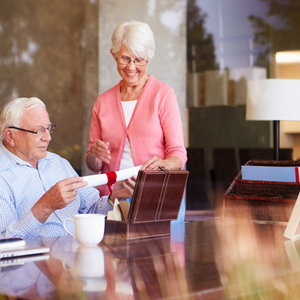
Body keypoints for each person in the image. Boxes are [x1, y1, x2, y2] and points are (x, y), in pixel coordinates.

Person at [85, 20, 187, 222]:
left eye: (139, 59)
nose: (131, 67)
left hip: (155, 197)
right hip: (112, 200)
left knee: (160, 253)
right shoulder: (102, 102)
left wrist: (161, 166)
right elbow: (93, 164)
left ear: (149, 58)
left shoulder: (163, 95)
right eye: (124, 58)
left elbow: (178, 155)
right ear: (113, 54)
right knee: (111, 253)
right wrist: (95, 156)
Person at [0, 97, 135, 239]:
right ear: (10, 136)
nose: (48, 138)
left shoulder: (58, 163)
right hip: (37, 260)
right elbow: (5, 243)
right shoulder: (3, 176)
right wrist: (45, 206)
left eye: (48, 128)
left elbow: (91, 208)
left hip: (81, 254)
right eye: (38, 130)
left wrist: (113, 198)